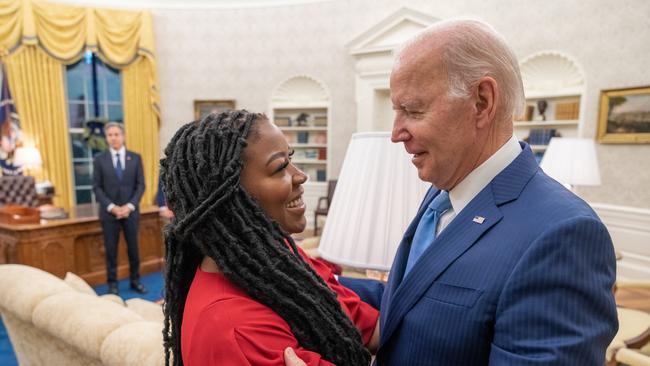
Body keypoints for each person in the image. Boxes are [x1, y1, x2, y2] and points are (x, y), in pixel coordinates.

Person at [286, 18, 617, 365]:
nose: (396, 133)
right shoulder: (443, 192)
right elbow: (414, 301)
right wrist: (300, 275)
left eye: (413, 110)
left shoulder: (564, 235)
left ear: (482, 102)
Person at [160, 110, 379, 366]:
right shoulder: (234, 330)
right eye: (280, 167)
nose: (300, 175)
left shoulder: (282, 261)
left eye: (291, 159)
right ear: (231, 199)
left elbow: (373, 329)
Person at [92, 122, 147, 295]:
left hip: (131, 213)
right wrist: (112, 207)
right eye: (110, 135)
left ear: (123, 136)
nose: (113, 138)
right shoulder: (99, 159)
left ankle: (135, 280)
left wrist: (130, 206)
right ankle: (112, 284)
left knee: (133, 249)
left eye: (116, 134)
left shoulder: (135, 158)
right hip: (109, 214)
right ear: (107, 138)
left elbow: (141, 185)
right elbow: (97, 187)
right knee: (111, 250)